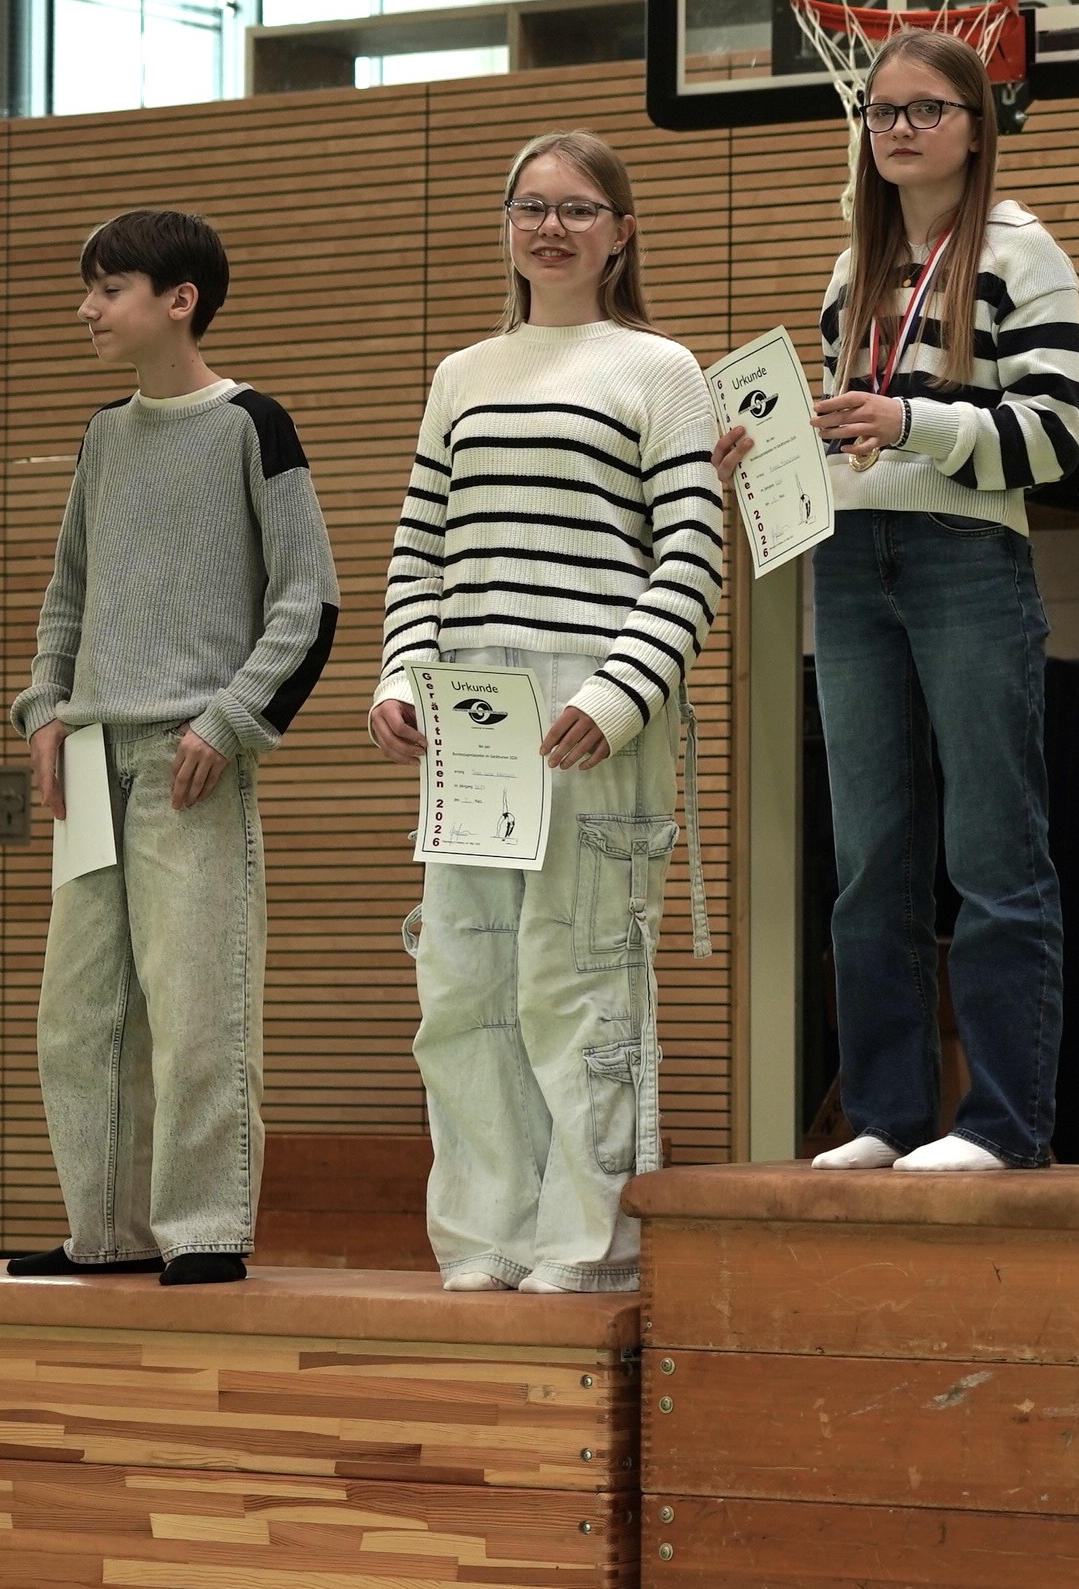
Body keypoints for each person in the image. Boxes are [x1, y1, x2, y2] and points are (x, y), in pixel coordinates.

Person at [714, 29, 1079, 1173]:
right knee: (869, 855)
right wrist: (773, 453)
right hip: (852, 555)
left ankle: (1002, 1125)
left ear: (977, 128)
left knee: (990, 851)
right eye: (880, 112)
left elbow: (1058, 435)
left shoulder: (1024, 255)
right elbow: (851, 433)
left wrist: (909, 421)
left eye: (925, 110)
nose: (898, 130)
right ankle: (883, 1113)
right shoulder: (851, 272)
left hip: (966, 559)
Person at [371, 131, 722, 1292]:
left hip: (588, 707)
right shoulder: (459, 373)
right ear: (507, 225)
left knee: (579, 981)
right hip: (469, 708)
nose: (551, 227)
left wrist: (617, 697)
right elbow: (419, 550)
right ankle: (483, 1238)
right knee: (464, 985)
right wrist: (400, 676)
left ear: (619, 233)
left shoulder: (659, 368)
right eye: (530, 205)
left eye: (578, 209)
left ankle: (587, 1244)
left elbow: (690, 555)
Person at [9, 208, 340, 1285]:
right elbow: (68, 596)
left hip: (192, 764)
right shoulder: (105, 436)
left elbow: (308, 603)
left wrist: (228, 720)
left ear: (178, 299)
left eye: (108, 289)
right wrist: (45, 709)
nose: (87, 310)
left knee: (199, 1013)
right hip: (93, 767)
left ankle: (200, 1231)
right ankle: (103, 1233)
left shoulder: (255, 424)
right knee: (79, 1017)